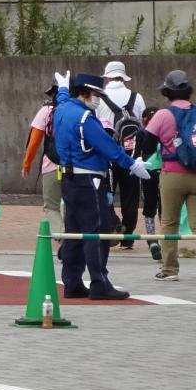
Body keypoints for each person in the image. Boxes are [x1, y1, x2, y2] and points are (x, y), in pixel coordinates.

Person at [52, 72, 142, 300]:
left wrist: (63, 87)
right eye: (95, 95)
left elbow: (62, 97)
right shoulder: (85, 118)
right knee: (96, 232)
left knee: (73, 232)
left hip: (69, 180)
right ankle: (99, 282)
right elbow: (107, 147)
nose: (98, 100)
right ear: (84, 94)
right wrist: (132, 164)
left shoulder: (62, 108)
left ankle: (71, 282)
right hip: (89, 180)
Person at [145, 70, 196, 285]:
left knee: (169, 223)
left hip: (173, 175)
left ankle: (170, 268)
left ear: (167, 92)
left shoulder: (163, 115)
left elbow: (147, 143)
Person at [96, 61, 149, 250]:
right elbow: (144, 126)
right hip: (131, 155)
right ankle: (128, 236)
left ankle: (113, 226)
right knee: (130, 197)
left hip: (107, 155)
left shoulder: (99, 98)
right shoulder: (137, 97)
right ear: (123, 77)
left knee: (106, 194)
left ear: (107, 77)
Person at [22, 82, 64, 242]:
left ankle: (62, 236)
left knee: (51, 205)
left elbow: (34, 141)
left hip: (52, 165)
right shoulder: (79, 111)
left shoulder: (47, 111)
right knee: (69, 202)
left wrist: (26, 164)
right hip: (76, 165)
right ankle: (71, 234)